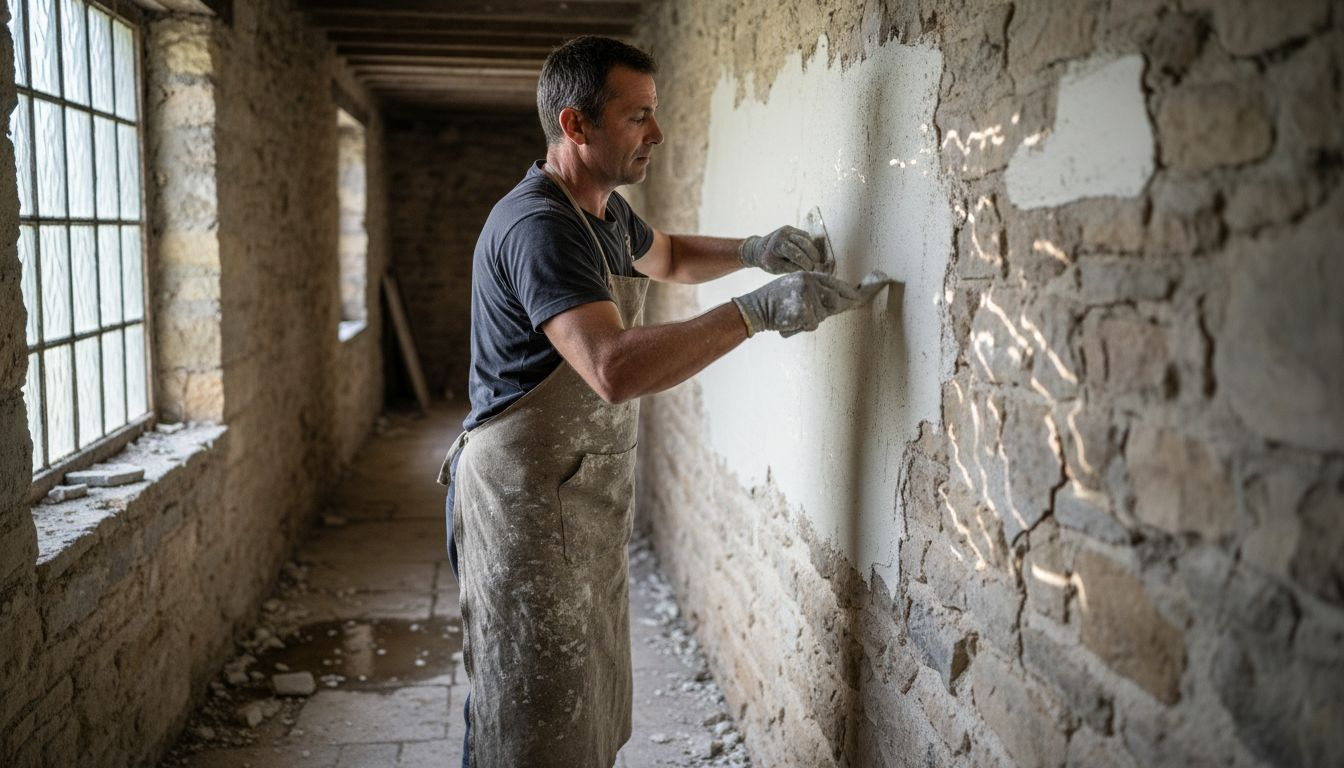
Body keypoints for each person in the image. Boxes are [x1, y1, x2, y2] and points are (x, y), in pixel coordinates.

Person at [437, 35, 884, 768]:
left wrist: (756, 250)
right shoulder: (541, 226)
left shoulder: (600, 211)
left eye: (656, 112)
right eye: (638, 116)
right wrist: (757, 312)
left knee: (584, 700)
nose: (658, 133)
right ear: (575, 127)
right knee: (530, 717)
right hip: (520, 498)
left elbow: (668, 256)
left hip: (570, 491)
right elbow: (609, 368)